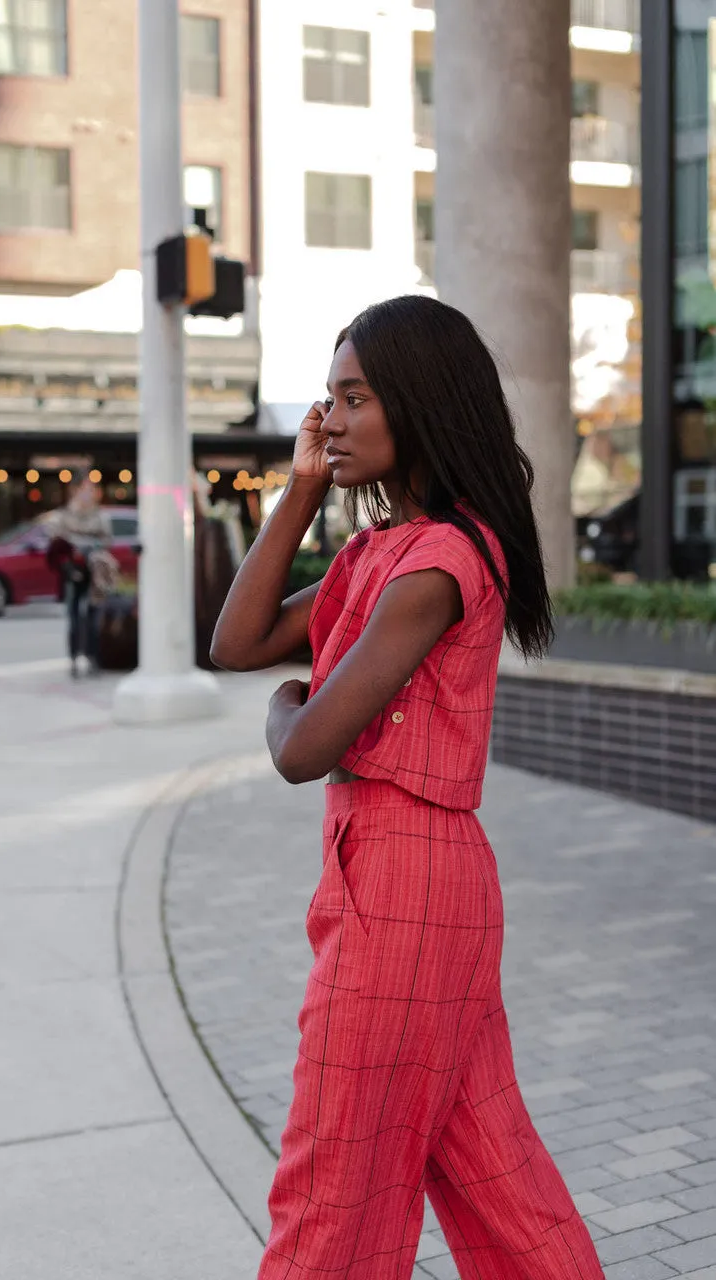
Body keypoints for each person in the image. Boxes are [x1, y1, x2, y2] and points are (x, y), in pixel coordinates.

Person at [211, 296, 605, 1280]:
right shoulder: (377, 550)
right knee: (488, 1172)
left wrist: (289, 704)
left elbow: (303, 749)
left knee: (334, 1182)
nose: (329, 420)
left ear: (418, 404)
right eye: (327, 398)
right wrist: (299, 491)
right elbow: (233, 641)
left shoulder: (439, 561)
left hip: (406, 886)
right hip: (402, 880)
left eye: (354, 397)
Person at [46, 472, 111, 678]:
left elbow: (106, 541)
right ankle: (74, 658)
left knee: (93, 617)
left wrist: (91, 548)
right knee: (74, 617)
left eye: (91, 489)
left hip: (94, 573)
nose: (88, 493)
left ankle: (93, 657)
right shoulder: (64, 516)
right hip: (73, 572)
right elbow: (57, 543)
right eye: (85, 488)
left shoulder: (100, 516)